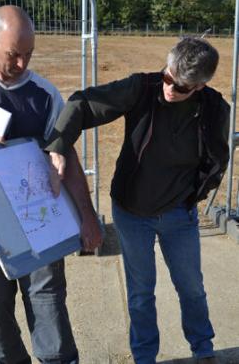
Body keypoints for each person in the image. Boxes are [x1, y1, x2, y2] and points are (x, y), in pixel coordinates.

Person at [50, 37, 230, 364]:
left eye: (181, 86)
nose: (169, 87)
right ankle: (144, 356)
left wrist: (194, 196)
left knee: (192, 288)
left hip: (179, 215)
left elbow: (217, 158)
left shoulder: (215, 108)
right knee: (141, 293)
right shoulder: (141, 88)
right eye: (167, 76)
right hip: (132, 213)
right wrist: (59, 143)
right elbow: (84, 103)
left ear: (201, 86)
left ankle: (203, 349)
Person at [0, 5, 102, 364]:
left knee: (48, 302)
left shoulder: (44, 95)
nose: (23, 65)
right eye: (14, 55)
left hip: (40, 220)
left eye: (29, 55)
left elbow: (66, 157)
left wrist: (87, 217)